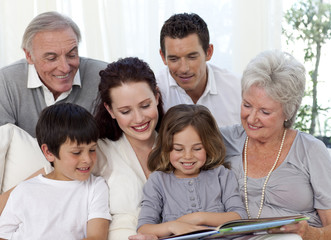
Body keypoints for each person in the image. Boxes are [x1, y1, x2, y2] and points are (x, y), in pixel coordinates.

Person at [220, 50, 331, 240]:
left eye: (265, 111)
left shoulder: (311, 150)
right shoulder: (224, 140)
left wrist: (311, 234)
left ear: (287, 112)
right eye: (247, 105)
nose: (252, 118)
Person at [133, 104, 246, 239]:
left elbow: (240, 216)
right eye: (178, 149)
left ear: (209, 146)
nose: (187, 156)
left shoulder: (221, 175)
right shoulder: (158, 181)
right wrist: (172, 226)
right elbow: (144, 228)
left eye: (197, 148)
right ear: (166, 147)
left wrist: (198, 217)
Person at [0, 103, 111, 239]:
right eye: (76, 152)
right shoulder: (24, 190)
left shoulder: (95, 187)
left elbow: (97, 237)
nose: (87, 159)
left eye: (92, 150)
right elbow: (3, 234)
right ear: (48, 152)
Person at [0, 11, 107, 137]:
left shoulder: (104, 76)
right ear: (29, 55)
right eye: (51, 58)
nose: (65, 68)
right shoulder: (5, 82)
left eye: (72, 55)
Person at [93, 57, 164, 239]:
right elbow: (53, 176)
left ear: (156, 96)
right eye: (126, 111)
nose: (139, 118)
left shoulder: (179, 146)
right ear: (110, 111)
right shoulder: (98, 151)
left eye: (145, 105)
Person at [157, 13, 241, 127]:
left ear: (209, 52)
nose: (184, 69)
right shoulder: (154, 91)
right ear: (163, 57)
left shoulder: (238, 89)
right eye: (174, 59)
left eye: (192, 57)